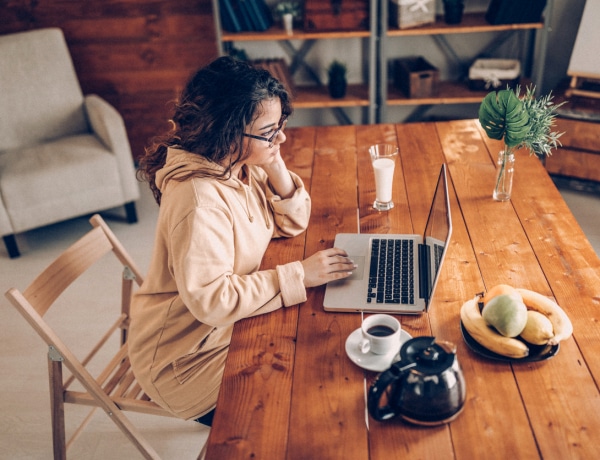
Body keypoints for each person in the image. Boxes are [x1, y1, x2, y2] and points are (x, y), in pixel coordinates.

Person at [129, 56, 356, 423]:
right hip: (184, 358)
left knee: (323, 342)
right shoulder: (200, 201)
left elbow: (292, 223)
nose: (281, 137)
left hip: (221, 327)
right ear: (227, 131)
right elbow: (214, 301)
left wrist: (273, 160)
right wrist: (301, 274)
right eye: (270, 130)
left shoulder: (234, 164)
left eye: (281, 124)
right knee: (311, 383)